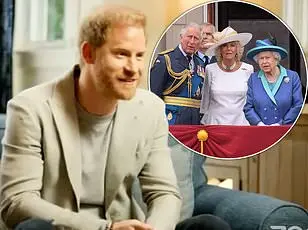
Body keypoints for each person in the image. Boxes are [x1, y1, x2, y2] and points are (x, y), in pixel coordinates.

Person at [0, 5, 182, 230]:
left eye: (139, 56)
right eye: (121, 54)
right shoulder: (29, 109)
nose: (133, 68)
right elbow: (17, 202)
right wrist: (105, 228)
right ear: (88, 54)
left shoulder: (151, 109)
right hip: (62, 228)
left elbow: (164, 193)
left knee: (208, 225)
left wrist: (154, 229)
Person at [150, 22, 205, 125]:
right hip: (172, 118)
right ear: (181, 37)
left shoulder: (200, 63)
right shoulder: (166, 59)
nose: (192, 42)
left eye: (196, 38)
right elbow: (154, 94)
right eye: (189, 37)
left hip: (194, 120)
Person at [200, 26, 254, 125]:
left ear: (237, 48)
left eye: (232, 45)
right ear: (219, 49)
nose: (229, 49)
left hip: (240, 124)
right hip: (214, 124)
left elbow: (251, 100)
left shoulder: (248, 69)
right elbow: (205, 100)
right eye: (224, 45)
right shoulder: (210, 69)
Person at [244, 37, 303, 125]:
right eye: (261, 58)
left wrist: (280, 123)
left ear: (276, 59)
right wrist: (259, 123)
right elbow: (248, 107)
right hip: (260, 130)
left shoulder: (292, 77)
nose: (264, 62)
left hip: (285, 129)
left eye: (267, 58)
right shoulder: (254, 79)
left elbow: (298, 105)